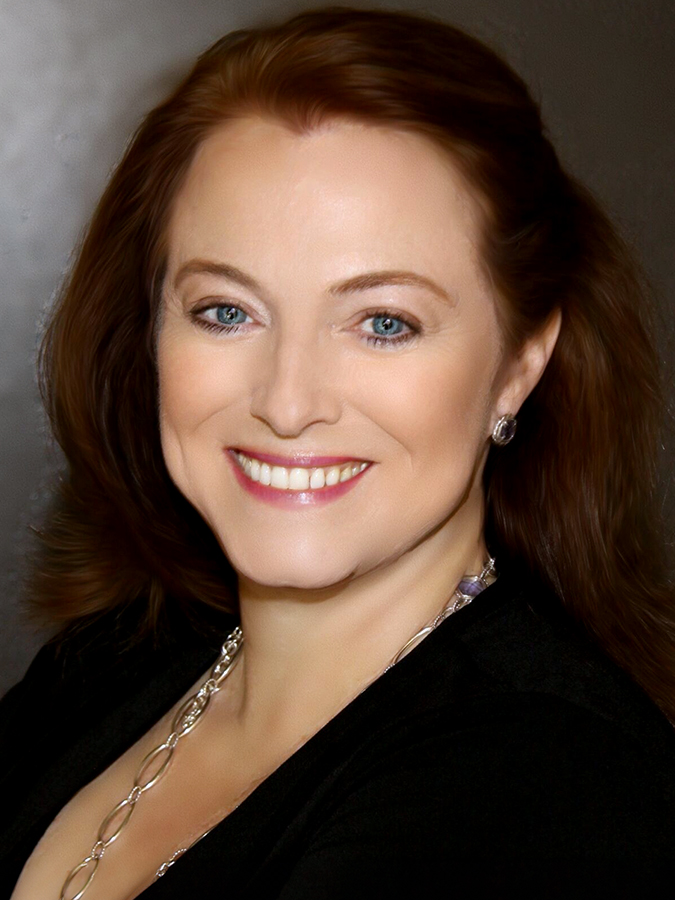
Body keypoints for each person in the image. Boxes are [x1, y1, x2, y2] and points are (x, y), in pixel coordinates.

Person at [2, 5, 675, 898]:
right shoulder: (106, 666)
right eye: (226, 311)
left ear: (519, 364)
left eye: (383, 323)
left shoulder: (541, 788)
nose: (287, 403)